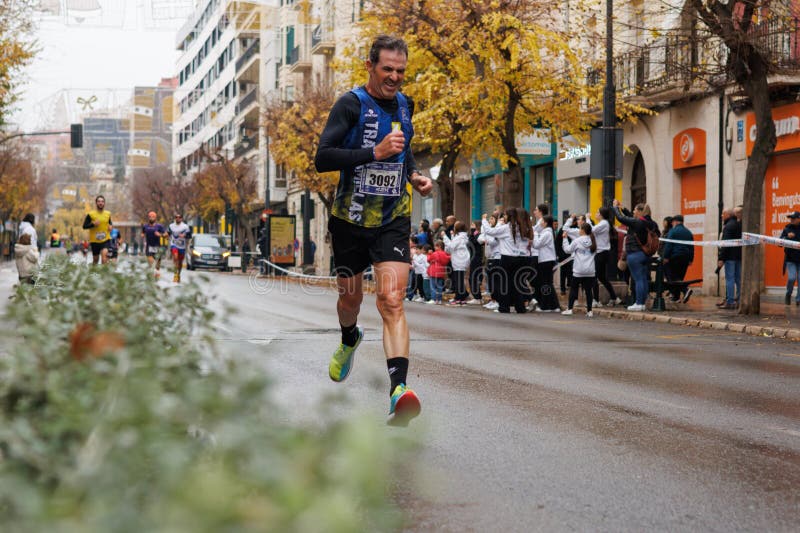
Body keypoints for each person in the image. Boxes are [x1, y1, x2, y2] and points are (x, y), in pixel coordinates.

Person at [313, 35, 433, 426]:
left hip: (393, 218)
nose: (395, 77)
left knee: (392, 300)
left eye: (401, 70)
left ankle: (398, 389)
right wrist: (373, 153)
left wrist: (414, 175)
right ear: (371, 66)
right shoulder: (350, 105)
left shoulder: (404, 104)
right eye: (388, 70)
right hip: (349, 220)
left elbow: (404, 147)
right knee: (350, 301)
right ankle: (349, 339)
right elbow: (323, 157)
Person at [481, 207, 532, 314]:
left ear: (509, 216)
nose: (504, 217)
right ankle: (520, 307)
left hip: (507, 258)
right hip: (520, 258)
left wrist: (484, 220)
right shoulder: (522, 227)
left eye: (505, 215)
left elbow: (490, 231)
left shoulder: (506, 227)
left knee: (504, 284)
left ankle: (504, 307)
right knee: (517, 284)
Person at [613, 200, 659, 311]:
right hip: (646, 254)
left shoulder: (638, 222)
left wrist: (615, 208)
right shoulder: (651, 223)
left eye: (634, 210)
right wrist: (623, 208)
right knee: (643, 279)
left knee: (638, 279)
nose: (633, 212)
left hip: (635, 254)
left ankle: (638, 303)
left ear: (639, 211)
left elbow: (621, 218)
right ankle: (643, 303)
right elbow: (630, 218)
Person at [561, 222, 597, 317]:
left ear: (583, 230)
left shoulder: (577, 241)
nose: (579, 230)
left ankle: (569, 309)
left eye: (580, 228)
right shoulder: (593, 240)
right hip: (590, 270)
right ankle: (590, 311)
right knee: (588, 291)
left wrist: (564, 239)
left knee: (574, 289)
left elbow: (567, 250)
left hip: (578, 270)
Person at [662, 214, 694, 303]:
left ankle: (685, 290)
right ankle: (676, 297)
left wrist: (666, 257)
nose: (672, 224)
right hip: (685, 258)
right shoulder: (688, 232)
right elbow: (691, 247)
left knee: (672, 277)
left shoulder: (673, 231)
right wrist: (691, 259)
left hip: (675, 257)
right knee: (679, 277)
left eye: (672, 222)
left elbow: (669, 245)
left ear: (675, 222)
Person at [532, 214, 560, 312]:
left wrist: (535, 234)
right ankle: (554, 305)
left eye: (542, 221)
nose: (540, 223)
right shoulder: (547, 232)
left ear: (546, 223)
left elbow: (536, 244)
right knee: (548, 283)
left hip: (546, 260)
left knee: (545, 283)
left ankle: (545, 306)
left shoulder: (546, 233)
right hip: (546, 260)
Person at [717, 208, 742, 309]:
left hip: (730, 257)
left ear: (728, 214)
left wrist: (721, 258)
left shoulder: (728, 226)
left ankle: (730, 301)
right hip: (738, 256)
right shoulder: (738, 224)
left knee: (730, 279)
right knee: (738, 279)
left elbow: (725, 244)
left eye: (723, 214)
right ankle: (739, 300)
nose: (721, 216)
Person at [478, 213, 501, 310]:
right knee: (490, 281)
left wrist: (486, 238)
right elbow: (480, 239)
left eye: (492, 219)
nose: (490, 221)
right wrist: (485, 238)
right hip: (489, 257)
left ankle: (497, 301)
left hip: (496, 256)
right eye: (489, 219)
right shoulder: (489, 230)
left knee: (495, 281)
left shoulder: (497, 230)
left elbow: (493, 241)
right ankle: (492, 300)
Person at [444, 221, 470, 305]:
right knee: (459, 279)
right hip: (461, 260)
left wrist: (444, 237)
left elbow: (451, 247)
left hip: (459, 260)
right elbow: (454, 245)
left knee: (458, 280)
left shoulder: (459, 237)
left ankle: (459, 298)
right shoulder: (462, 236)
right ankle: (460, 297)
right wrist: (452, 236)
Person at [82, 195, 112, 265]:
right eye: (99, 201)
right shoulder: (90, 214)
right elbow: (84, 226)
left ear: (104, 203)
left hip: (105, 240)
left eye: (102, 201)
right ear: (96, 203)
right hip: (94, 241)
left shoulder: (108, 214)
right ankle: (93, 273)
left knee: (104, 257)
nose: (100, 203)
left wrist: (110, 227)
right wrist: (93, 224)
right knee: (95, 260)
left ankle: (103, 274)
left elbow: (110, 223)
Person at [781, 211, 800, 306]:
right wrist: (787, 238)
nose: (791, 219)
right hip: (790, 259)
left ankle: (798, 299)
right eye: (790, 218)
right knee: (792, 278)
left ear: (798, 219)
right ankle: (788, 294)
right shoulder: (787, 228)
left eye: (793, 218)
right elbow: (780, 243)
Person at [167, 214, 192, 283]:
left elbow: (189, 236)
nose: (178, 219)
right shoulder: (171, 226)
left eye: (179, 217)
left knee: (180, 263)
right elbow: (168, 234)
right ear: (175, 218)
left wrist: (184, 235)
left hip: (182, 246)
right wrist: (165, 236)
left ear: (181, 219)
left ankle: (178, 274)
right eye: (176, 217)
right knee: (175, 257)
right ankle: (175, 274)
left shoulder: (185, 227)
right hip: (174, 244)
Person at [142, 211, 166, 278]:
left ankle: (156, 275)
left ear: (155, 218)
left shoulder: (159, 226)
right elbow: (143, 232)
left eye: (153, 217)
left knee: (157, 266)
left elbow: (166, 235)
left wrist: (160, 235)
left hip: (157, 246)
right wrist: (142, 235)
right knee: (151, 262)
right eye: (150, 217)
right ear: (148, 218)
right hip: (149, 246)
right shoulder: (145, 226)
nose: (151, 218)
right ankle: (152, 275)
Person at [466, 221, 484, 304]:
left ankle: (477, 297)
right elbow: (470, 242)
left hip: (477, 258)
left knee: (474, 277)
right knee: (471, 278)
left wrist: (474, 231)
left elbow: (476, 242)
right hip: (472, 258)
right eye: (471, 224)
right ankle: (477, 296)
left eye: (473, 225)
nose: (471, 226)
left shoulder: (479, 235)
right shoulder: (472, 235)